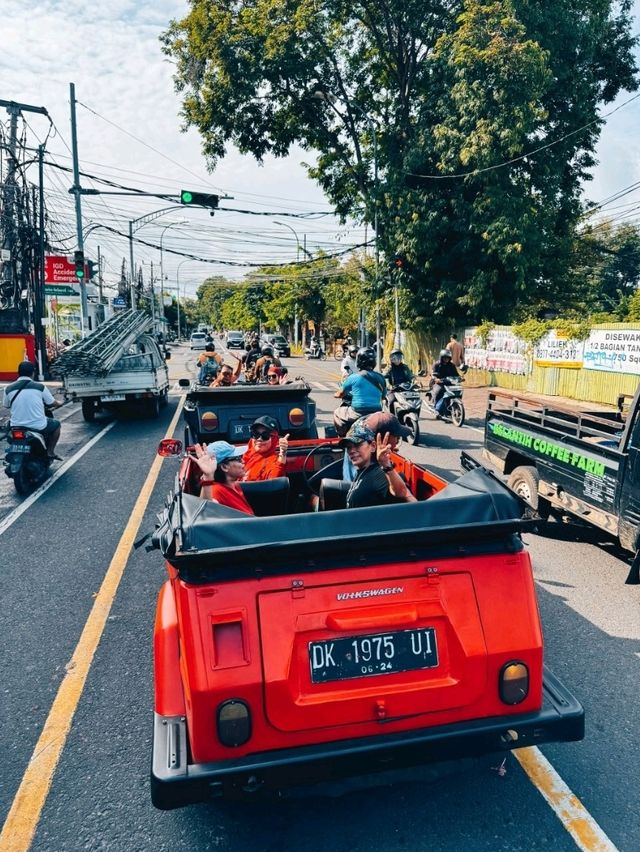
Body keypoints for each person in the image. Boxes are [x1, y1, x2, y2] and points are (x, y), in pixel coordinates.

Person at [340, 422, 415, 509]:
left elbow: (403, 492)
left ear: (372, 446)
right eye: (349, 447)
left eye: (357, 445)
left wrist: (386, 466)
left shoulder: (378, 474)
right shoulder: (362, 471)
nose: (351, 451)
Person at [2, 361, 64, 460]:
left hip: (16, 426)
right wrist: (59, 403)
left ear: (18, 373)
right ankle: (50, 452)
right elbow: (52, 403)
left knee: (7, 429)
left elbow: (6, 405)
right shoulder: (40, 387)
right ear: (33, 373)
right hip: (38, 425)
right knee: (56, 425)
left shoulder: (8, 388)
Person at [342, 411, 412, 481]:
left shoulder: (360, 427)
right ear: (383, 439)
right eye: (396, 436)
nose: (398, 440)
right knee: (401, 478)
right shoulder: (369, 462)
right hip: (363, 486)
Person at [334, 346, 386, 435]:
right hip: (376, 412)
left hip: (357, 412)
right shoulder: (381, 377)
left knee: (337, 412)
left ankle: (342, 436)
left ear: (359, 360)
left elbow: (340, 394)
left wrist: (336, 395)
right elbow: (383, 396)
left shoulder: (353, 377)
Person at [193, 441, 255, 515]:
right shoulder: (216, 491)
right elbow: (207, 510)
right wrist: (208, 477)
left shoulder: (234, 484)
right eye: (238, 459)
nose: (243, 461)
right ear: (224, 467)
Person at [242, 415, 289, 481]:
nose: (259, 439)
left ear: (274, 439)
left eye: (265, 436)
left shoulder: (274, 461)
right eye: (255, 434)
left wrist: (283, 454)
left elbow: (273, 480)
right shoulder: (245, 457)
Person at [430, 349, 460, 415]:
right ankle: (436, 407)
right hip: (438, 383)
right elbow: (433, 374)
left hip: (449, 382)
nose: (446, 359)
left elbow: (456, 374)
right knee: (439, 390)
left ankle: (455, 406)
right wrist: (436, 379)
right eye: (445, 357)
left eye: (448, 358)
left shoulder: (452, 365)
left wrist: (460, 378)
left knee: (457, 391)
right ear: (441, 357)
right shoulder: (437, 364)